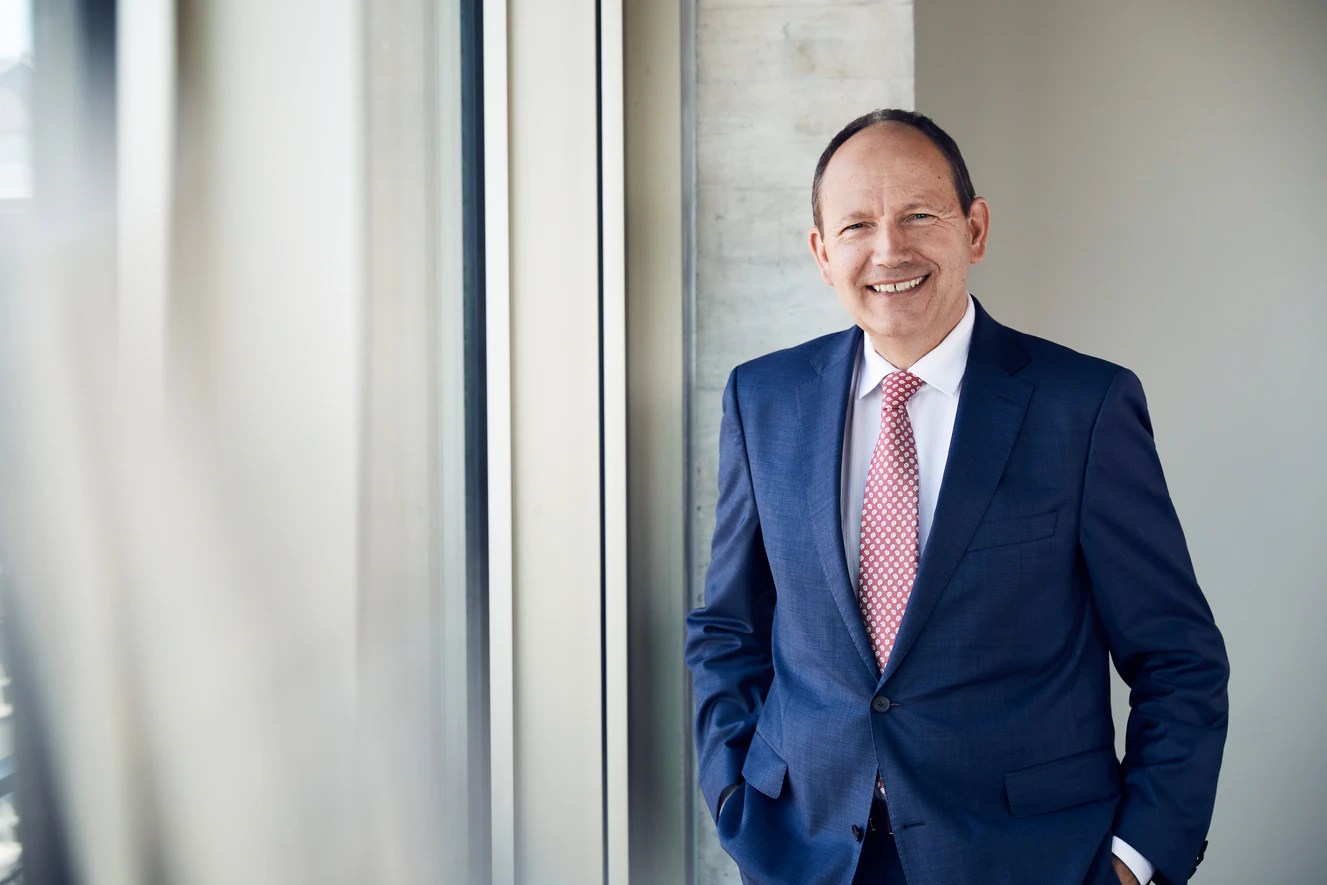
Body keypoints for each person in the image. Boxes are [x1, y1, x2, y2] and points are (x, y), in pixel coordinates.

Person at [684, 109, 1228, 885]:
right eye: (856, 226)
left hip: (1026, 858)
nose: (888, 250)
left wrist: (1134, 858)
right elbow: (729, 627)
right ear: (821, 252)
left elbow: (1176, 656)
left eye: (918, 216)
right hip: (805, 851)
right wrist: (732, 795)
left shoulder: (1082, 406)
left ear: (973, 229)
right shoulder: (762, 399)